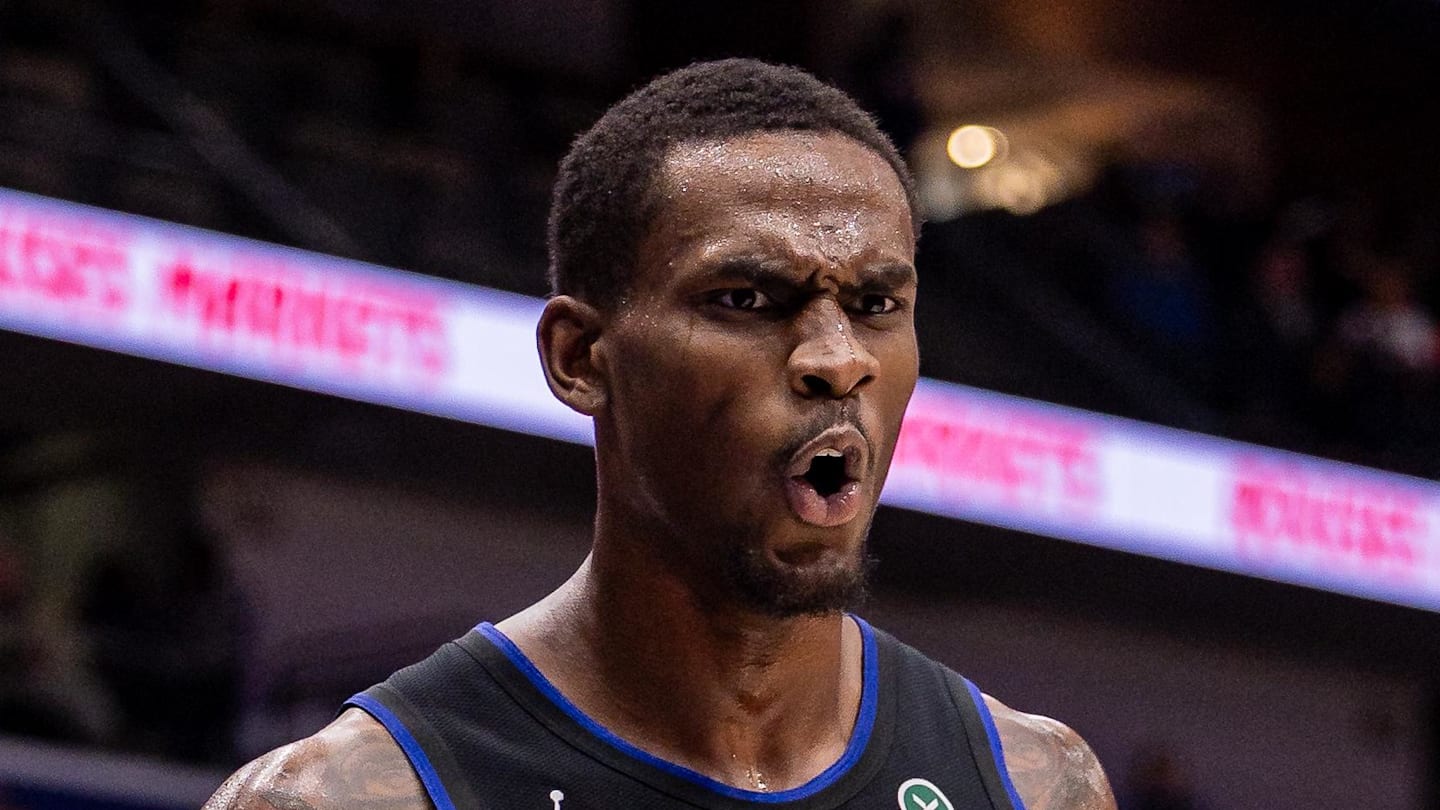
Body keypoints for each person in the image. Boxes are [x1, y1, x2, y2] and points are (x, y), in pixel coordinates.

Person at [205, 58, 1117, 810]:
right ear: (580, 357)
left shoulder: (1035, 789)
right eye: (747, 301)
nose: (838, 360)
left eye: (877, 304)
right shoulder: (355, 799)